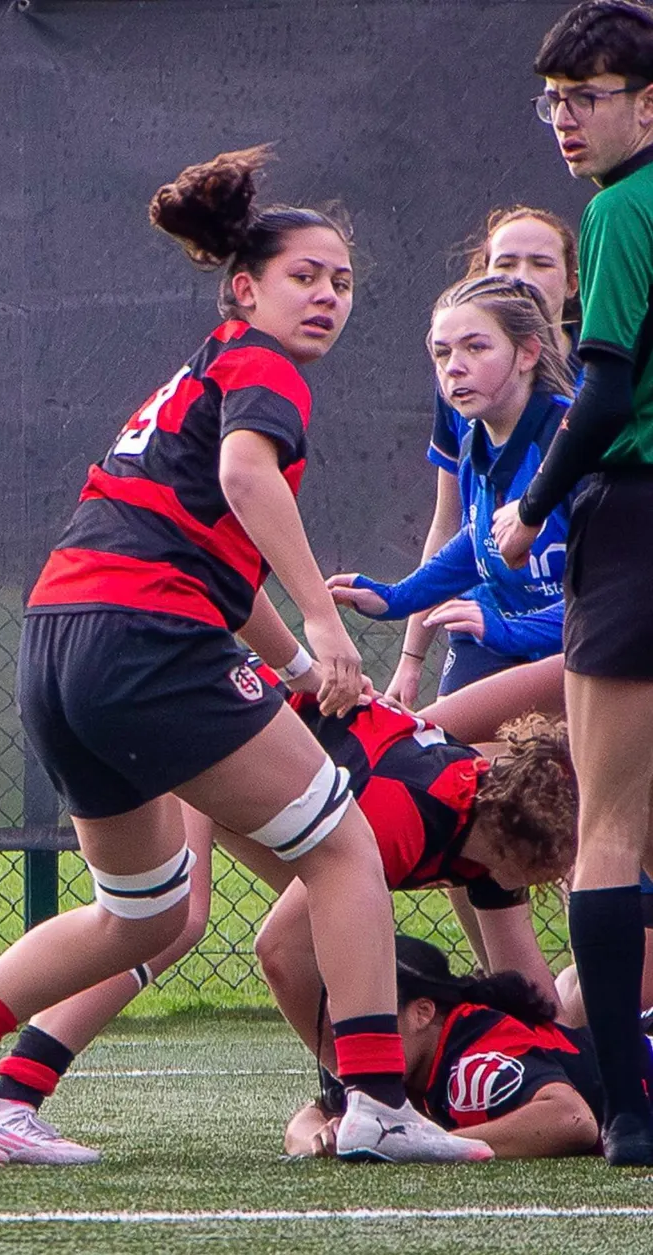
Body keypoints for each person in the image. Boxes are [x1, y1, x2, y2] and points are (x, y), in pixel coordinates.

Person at [0, 144, 491, 1166]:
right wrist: (325, 628)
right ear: (242, 289)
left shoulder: (200, 375)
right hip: (147, 639)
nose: (328, 295)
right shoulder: (261, 366)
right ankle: (377, 1104)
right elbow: (248, 479)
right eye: (304, 276)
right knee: (344, 849)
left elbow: (218, 566)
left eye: (343, 282)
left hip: (63, 642)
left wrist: (292, 664)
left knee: (142, 914)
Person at [0, 688, 575, 1163]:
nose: (566, 879)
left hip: (269, 759)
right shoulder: (407, 814)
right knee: (169, 919)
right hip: (209, 729)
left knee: (225, 920)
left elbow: (533, 994)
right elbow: (280, 951)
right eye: (564, 862)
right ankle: (10, 1097)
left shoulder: (490, 828)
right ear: (528, 841)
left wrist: (597, 1075)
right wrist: (362, 1085)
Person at [492, 0, 653, 1166]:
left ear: (647, 103)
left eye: (586, 96)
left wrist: (530, 510)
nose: (565, 119)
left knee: (611, 828)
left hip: (637, 521)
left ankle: (627, 1105)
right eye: (552, 97)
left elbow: (602, 392)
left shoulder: (620, 209)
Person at [330, 276, 576, 691]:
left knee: (452, 740)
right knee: (443, 748)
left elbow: (621, 597)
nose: (454, 366)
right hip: (496, 636)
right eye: (442, 353)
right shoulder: (473, 440)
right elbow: (478, 538)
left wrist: (510, 630)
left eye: (476, 347)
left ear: (528, 352)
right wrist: (398, 597)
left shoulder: (574, 444)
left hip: (579, 649)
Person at [390, 207, 578, 707]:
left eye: (540, 263)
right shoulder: (465, 389)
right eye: (506, 263)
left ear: (573, 280)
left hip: (574, 628)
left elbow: (618, 584)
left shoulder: (602, 383)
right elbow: (454, 523)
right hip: (491, 614)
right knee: (449, 759)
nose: (522, 278)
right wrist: (410, 657)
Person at [284, 936, 602, 1159]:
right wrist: (323, 1139)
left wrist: (428, 1144)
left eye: (374, 1017)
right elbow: (304, 1122)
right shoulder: (370, 1051)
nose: (354, 1033)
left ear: (423, 1013)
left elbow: (572, 1120)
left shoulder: (472, 1054)